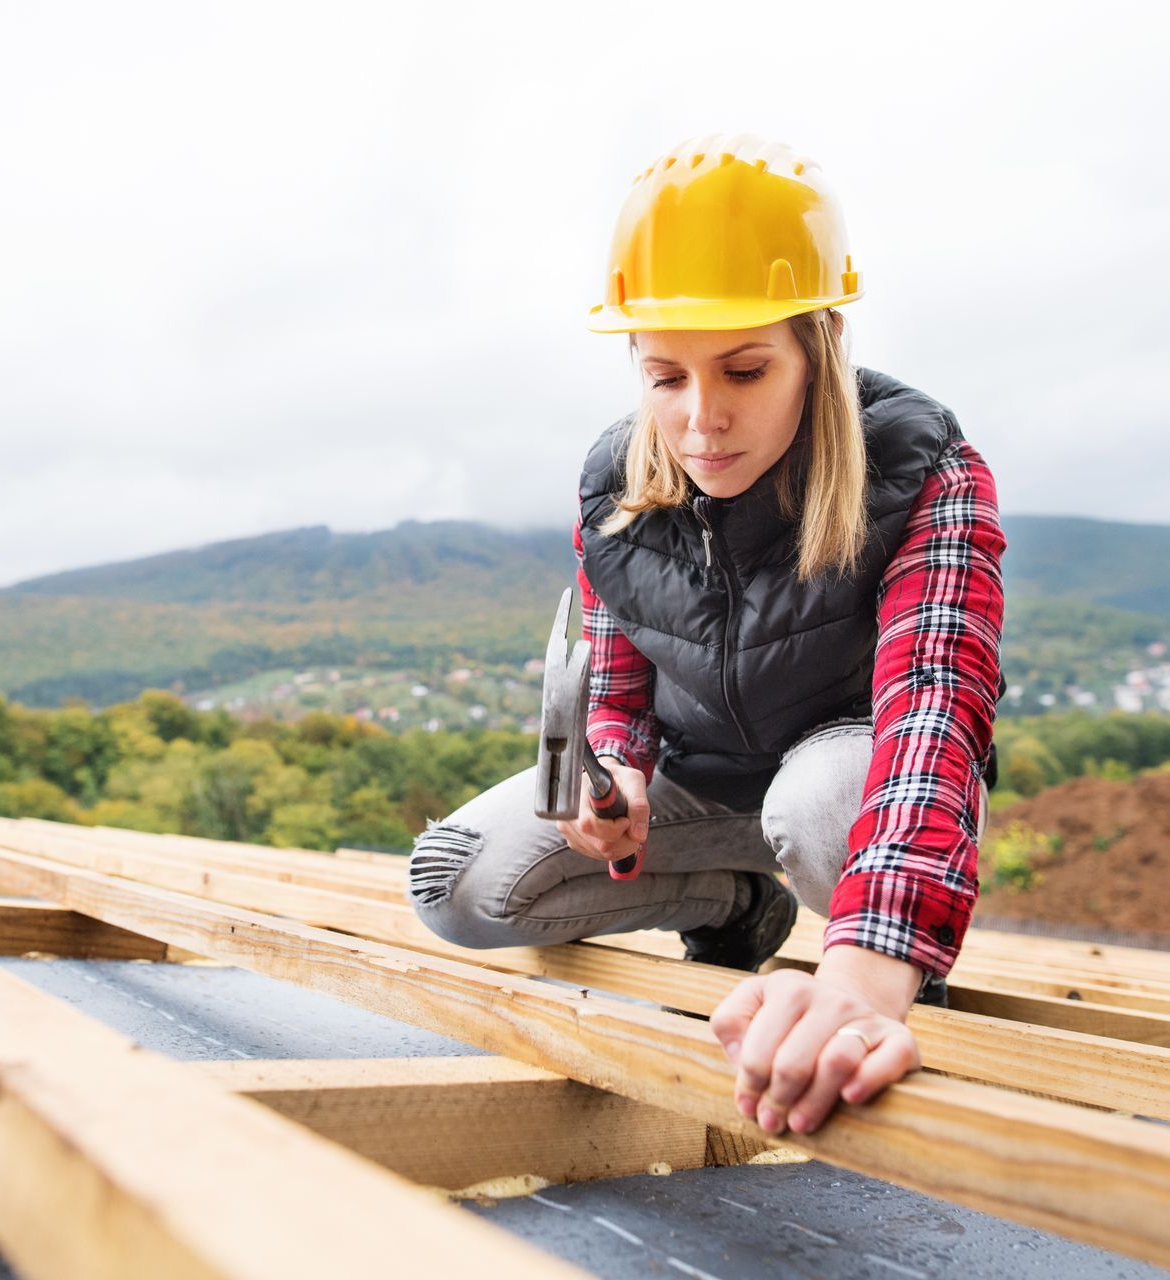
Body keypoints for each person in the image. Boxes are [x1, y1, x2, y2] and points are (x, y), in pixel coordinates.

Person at [406, 133, 1006, 1140]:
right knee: (454, 885)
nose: (702, 421)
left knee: (819, 807)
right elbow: (616, 685)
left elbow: (933, 720)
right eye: (666, 375)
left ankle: (888, 978)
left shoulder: (924, 466)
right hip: (711, 784)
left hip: (855, 783)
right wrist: (622, 774)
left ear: (816, 345)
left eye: (743, 368)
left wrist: (859, 978)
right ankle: (734, 905)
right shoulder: (612, 486)